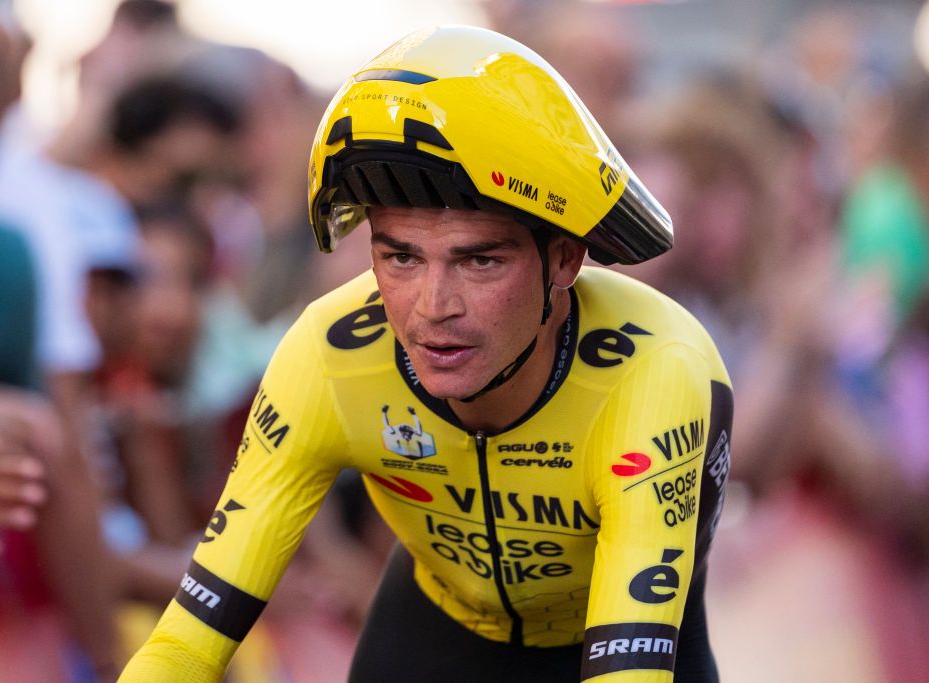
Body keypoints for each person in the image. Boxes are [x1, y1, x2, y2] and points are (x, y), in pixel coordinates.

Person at [121, 26, 733, 682]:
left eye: (480, 260)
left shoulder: (656, 370)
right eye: (400, 256)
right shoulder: (329, 354)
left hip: (611, 641)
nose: (432, 306)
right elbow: (186, 645)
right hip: (439, 628)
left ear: (564, 257)